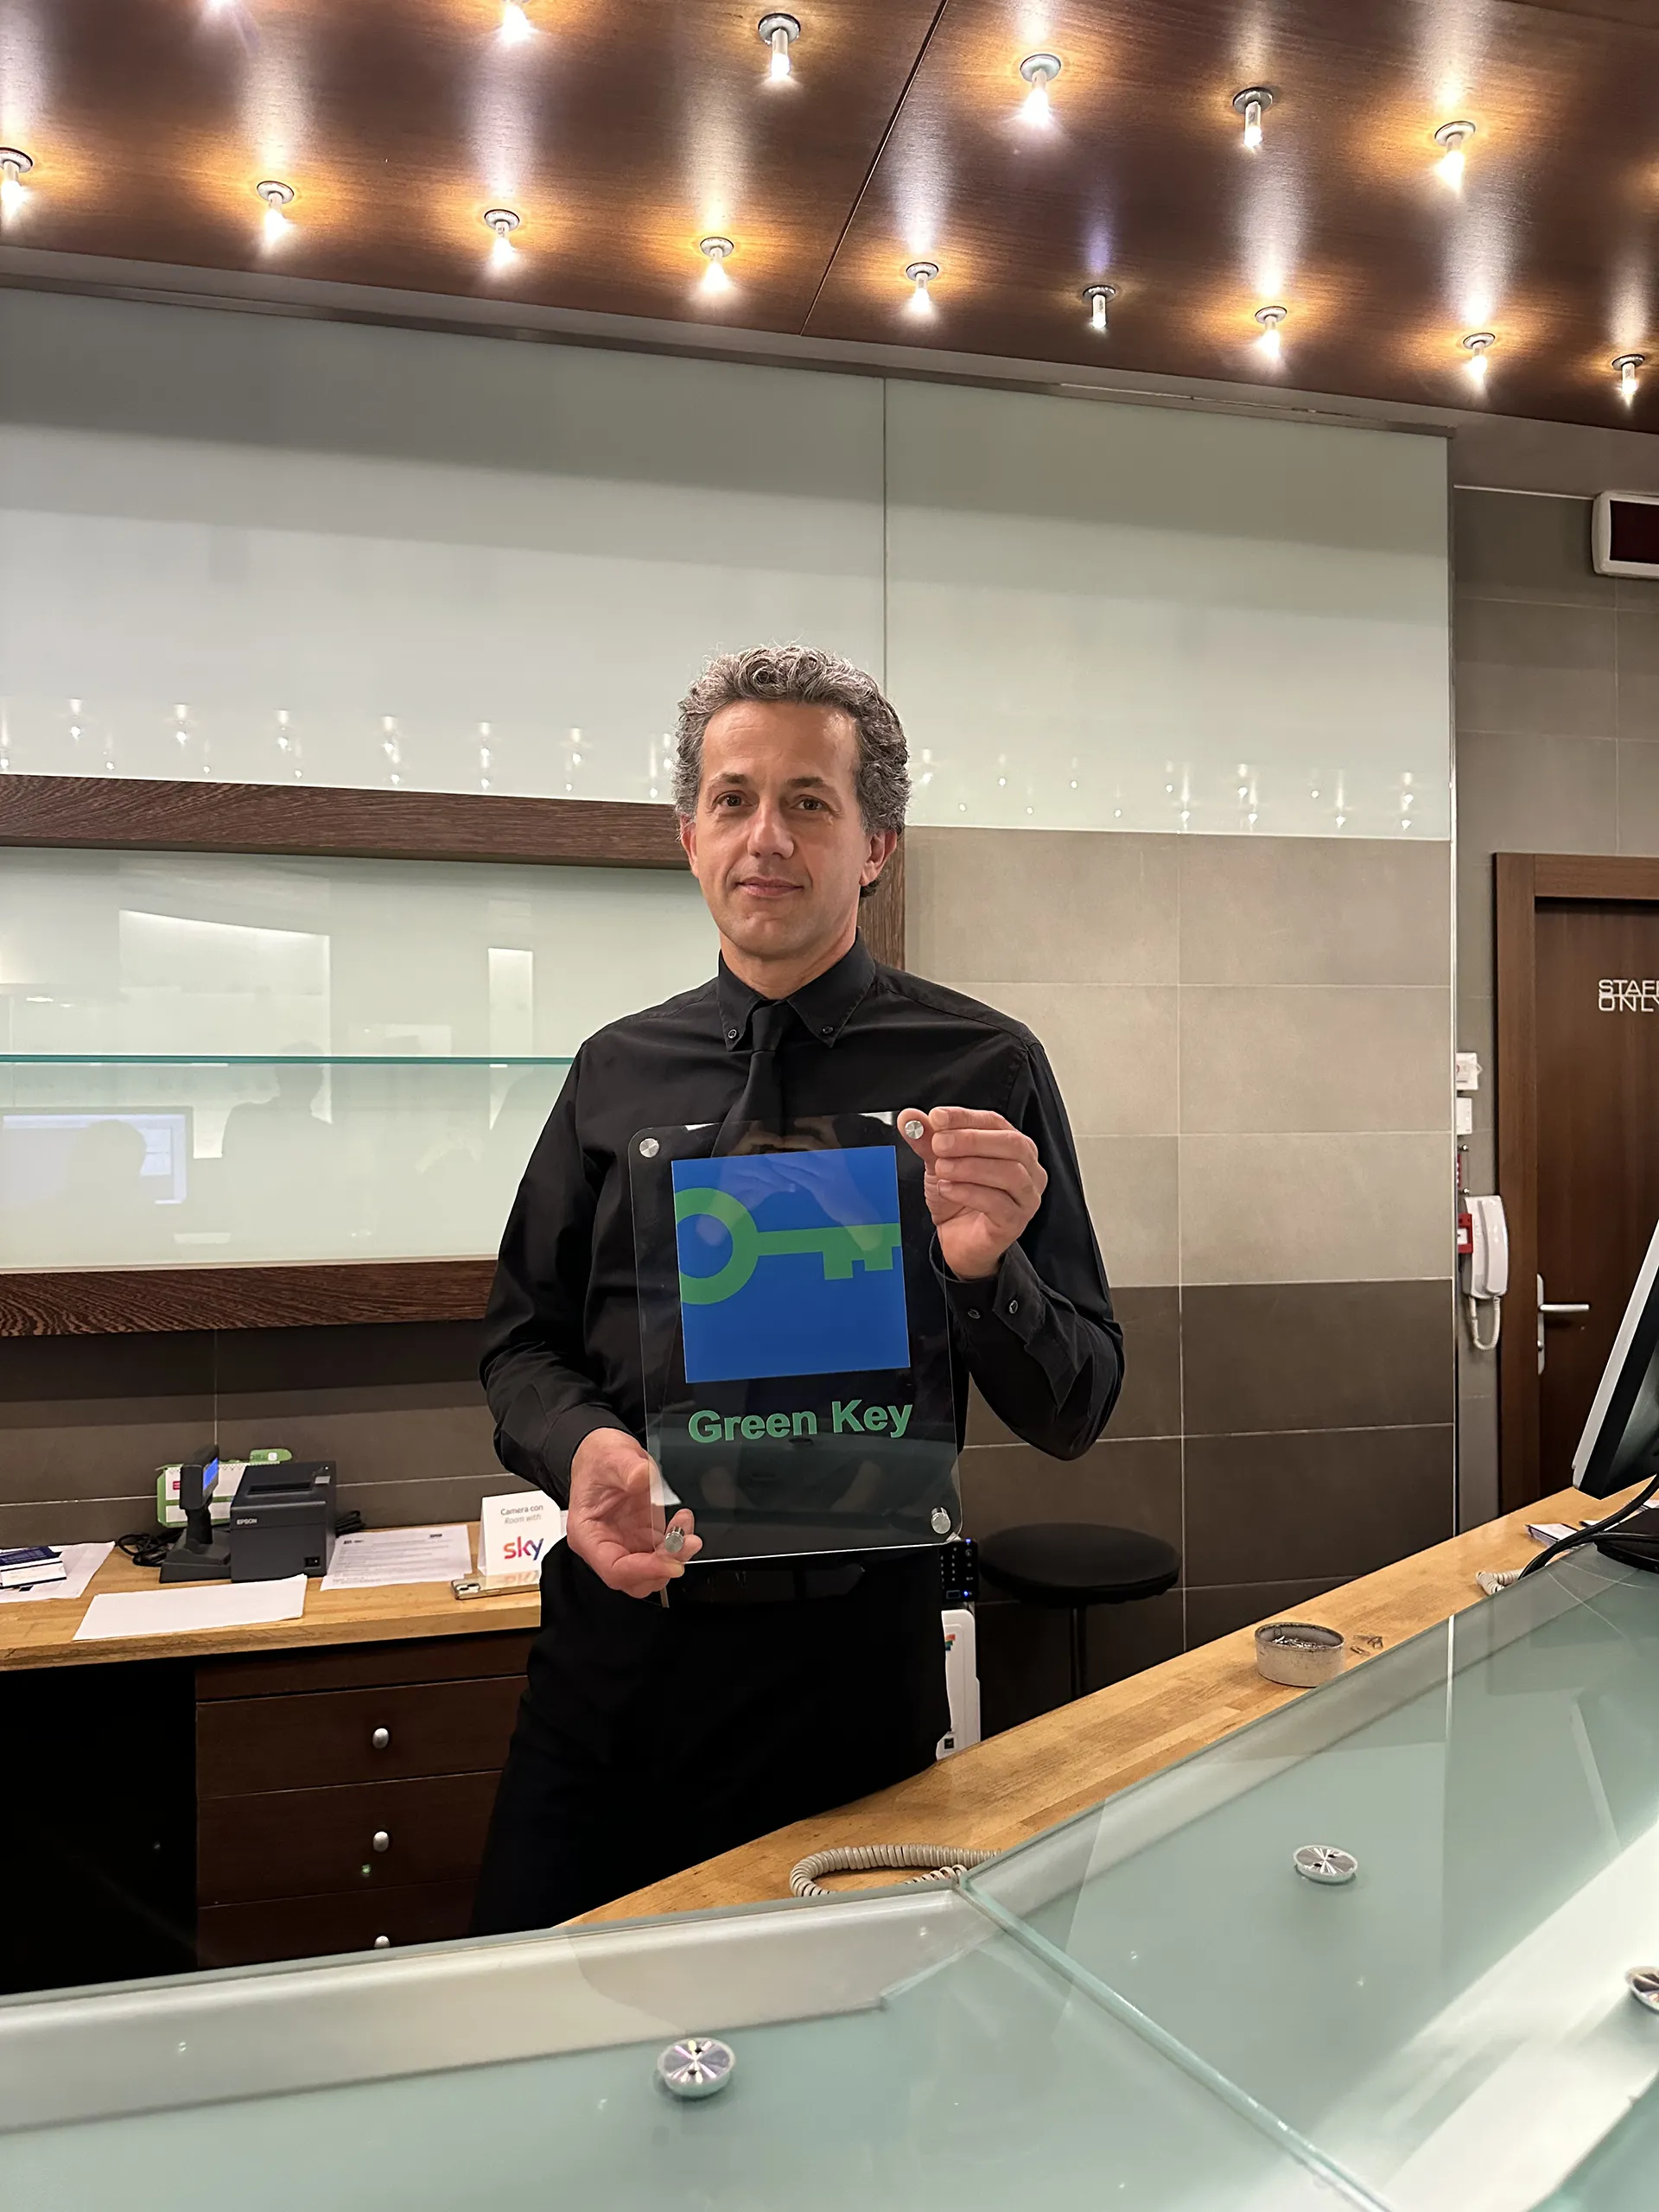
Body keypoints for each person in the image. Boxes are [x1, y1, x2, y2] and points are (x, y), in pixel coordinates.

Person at [471, 645, 1123, 1932]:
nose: (765, 836)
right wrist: (585, 1446)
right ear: (689, 836)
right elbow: (519, 1346)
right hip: (616, 1660)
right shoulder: (614, 1074)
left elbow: (1079, 1405)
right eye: (733, 799)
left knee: (836, 2025)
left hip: (853, 1684)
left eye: (809, 802)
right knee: (542, 2007)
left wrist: (985, 1271)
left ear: (876, 845)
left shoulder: (984, 1069)